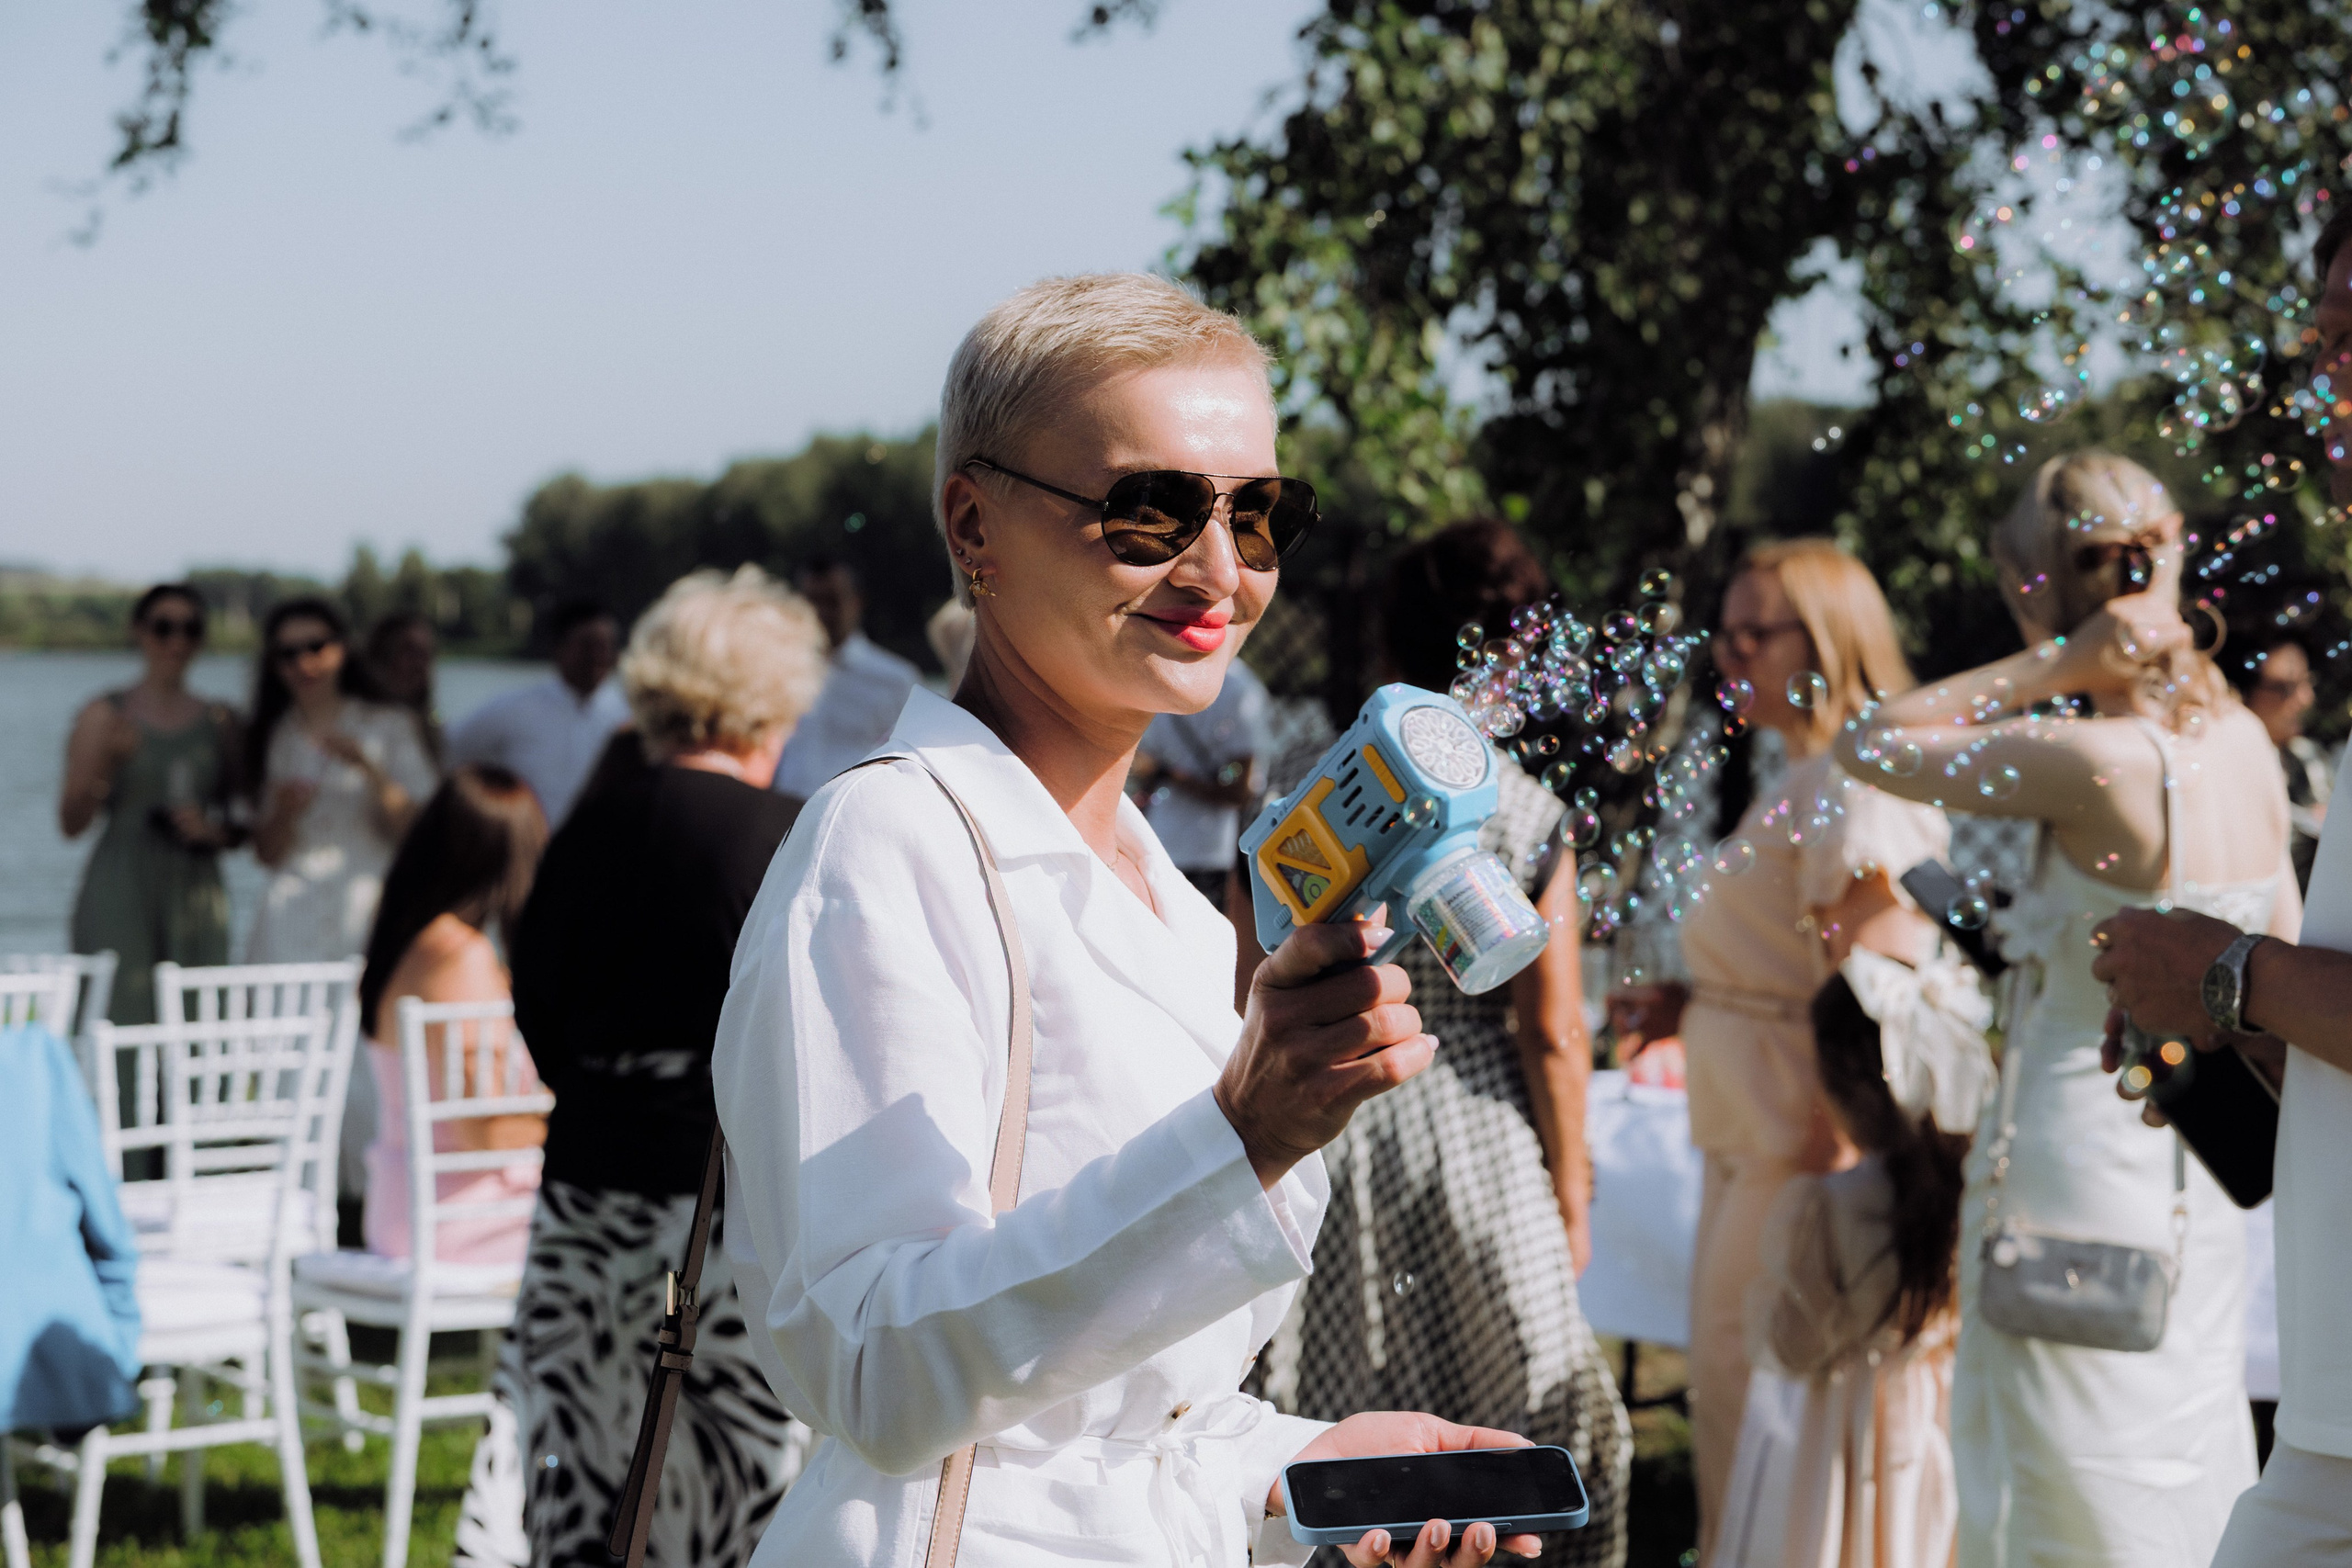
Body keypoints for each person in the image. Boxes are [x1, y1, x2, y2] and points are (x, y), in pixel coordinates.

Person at [713, 273, 1542, 1568]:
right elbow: (870, 1364)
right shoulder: (893, 842)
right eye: (1147, 510)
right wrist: (1244, 1128)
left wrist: (1288, 1464)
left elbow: (1128, 1403)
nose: (1219, 568)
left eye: (1260, 514)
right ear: (973, 523)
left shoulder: (1164, 888)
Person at [1848, 451, 2294, 1567]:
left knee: (2055, 1479)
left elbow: (1872, 741)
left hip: (2071, 1154)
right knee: (2175, 1443)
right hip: (2202, 1174)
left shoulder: (2096, 759)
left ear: (2038, 587)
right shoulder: (2243, 746)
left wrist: (2053, 662)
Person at [1246, 518, 1633, 1567]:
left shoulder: (1299, 773)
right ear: (1508, 649)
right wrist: (1572, 1194)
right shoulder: (1522, 801)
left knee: (1328, 1410)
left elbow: (1250, 972)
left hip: (1326, 1111)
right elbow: (1552, 1030)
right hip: (1473, 1126)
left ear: (1391, 645)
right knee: (1510, 1397)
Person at [2087, 210, 2352, 1567]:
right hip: (2332, 1408)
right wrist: (2244, 1027)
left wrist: (2227, 968)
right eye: (2325, 346)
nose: (2330, 389)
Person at [502, 566, 824, 1568]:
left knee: (579, 1460)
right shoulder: (791, 839)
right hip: (723, 1210)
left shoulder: (589, 823)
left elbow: (537, 1002)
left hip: (587, 1183)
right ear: (770, 703)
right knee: (727, 1473)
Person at [1679, 538, 1950, 1562]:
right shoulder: (1806, 771)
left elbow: (1872, 1001)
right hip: (1755, 1135)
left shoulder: (1856, 782)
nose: (1731, 652)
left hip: (1795, 1153)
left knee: (1758, 1409)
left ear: (1829, 639)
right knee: (1736, 1405)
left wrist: (1830, 1167)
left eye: (1759, 630)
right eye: (1727, 630)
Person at [1711, 955, 1986, 1568]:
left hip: (1841, 1431)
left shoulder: (1826, 1205)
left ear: (1835, 1085)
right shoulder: (1976, 1191)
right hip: (1950, 1420)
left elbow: (1794, 1345)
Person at [339, 763, 547, 1568]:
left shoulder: (414, 936)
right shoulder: (458, 954)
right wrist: (572, 1103)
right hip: (460, 1215)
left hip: (409, 1205)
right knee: (646, 1248)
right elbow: (485, 1127)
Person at [244, 595, 440, 1205]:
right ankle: (303, 1197)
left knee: (371, 1052)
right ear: (273, 665)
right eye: (288, 652)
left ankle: (378, 1195)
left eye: (317, 646)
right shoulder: (273, 734)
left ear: (342, 649)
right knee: (289, 1048)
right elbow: (268, 851)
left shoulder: (387, 724)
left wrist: (373, 771)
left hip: (367, 906)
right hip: (293, 910)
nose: (305, 662)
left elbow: (422, 832)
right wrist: (283, 811)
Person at [59, 585, 243, 1025]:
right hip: (121, 882)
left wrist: (211, 830)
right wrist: (107, 762)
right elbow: (70, 823)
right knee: (120, 1017)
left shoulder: (222, 721)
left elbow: (247, 819)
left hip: (196, 889)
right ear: (138, 632)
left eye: (190, 629)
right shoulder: (103, 715)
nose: (177, 641)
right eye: (163, 627)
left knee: (199, 1020)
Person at [446, 598, 628, 830]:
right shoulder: (513, 709)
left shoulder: (630, 717)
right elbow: (446, 752)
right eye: (587, 645)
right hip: (529, 858)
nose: (598, 656)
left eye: (607, 646)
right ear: (559, 648)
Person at [769, 557, 922, 807]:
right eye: (811, 601)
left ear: (856, 602)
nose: (820, 612)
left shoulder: (896, 680)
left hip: (853, 816)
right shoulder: (777, 670)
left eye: (831, 601)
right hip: (782, 819)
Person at [1133, 656, 1272, 904]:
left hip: (1176, 850)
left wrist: (1166, 774)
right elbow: (1240, 788)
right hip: (1203, 853)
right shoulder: (1239, 687)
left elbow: (1236, 789)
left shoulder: (1155, 671)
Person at [2232, 631, 2330, 890]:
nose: (2306, 698)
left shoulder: (2307, 758)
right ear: (2243, 692)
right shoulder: (2229, 769)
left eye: (2306, 682)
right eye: (2286, 688)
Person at [367, 610, 444, 762]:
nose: (419, 664)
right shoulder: (356, 723)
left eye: (426, 654)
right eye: (410, 651)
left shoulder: (432, 727)